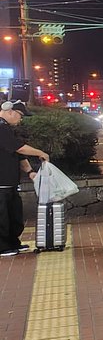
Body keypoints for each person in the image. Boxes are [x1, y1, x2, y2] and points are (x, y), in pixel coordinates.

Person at [0, 100, 50, 256]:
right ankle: (3, 247)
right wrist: (40, 152)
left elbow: (17, 153)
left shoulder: (6, 128)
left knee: (13, 213)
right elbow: (19, 148)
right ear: (10, 112)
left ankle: (13, 243)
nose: (20, 120)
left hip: (10, 181)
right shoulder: (1, 128)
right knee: (2, 216)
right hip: (1, 181)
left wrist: (29, 172)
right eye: (20, 116)